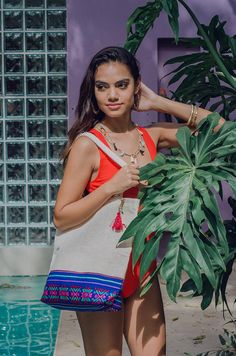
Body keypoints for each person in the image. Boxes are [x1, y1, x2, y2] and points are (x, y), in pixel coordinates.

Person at [53, 46, 224, 356]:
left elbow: (218, 129)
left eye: (122, 85)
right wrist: (111, 188)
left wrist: (158, 101)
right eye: (102, 87)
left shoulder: (152, 135)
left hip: (142, 269)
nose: (112, 95)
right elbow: (62, 216)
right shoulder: (88, 145)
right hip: (101, 270)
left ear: (135, 87)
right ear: (93, 92)